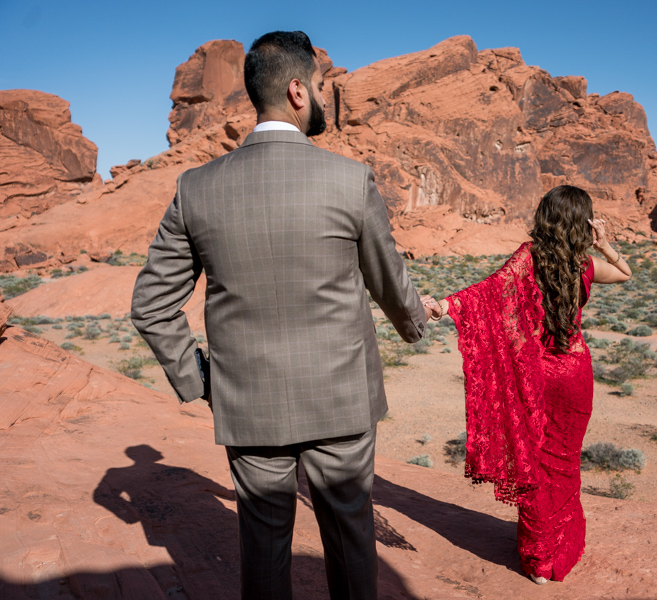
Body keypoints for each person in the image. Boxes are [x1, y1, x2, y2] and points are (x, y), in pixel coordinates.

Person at [131, 30, 429, 600]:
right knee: (350, 540)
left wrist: (201, 380)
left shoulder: (197, 189)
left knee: (263, 552)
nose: (324, 97)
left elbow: (151, 305)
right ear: (298, 90)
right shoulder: (348, 179)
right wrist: (414, 323)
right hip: (341, 400)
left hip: (251, 405)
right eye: (320, 86)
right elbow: (388, 280)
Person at [423, 185, 631, 584]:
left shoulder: (528, 258)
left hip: (537, 376)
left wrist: (446, 306)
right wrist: (604, 244)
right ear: (582, 223)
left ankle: (539, 561)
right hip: (575, 375)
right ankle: (561, 552)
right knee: (565, 462)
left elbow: (487, 291)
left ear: (546, 217)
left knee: (535, 463)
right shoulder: (584, 264)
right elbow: (625, 273)